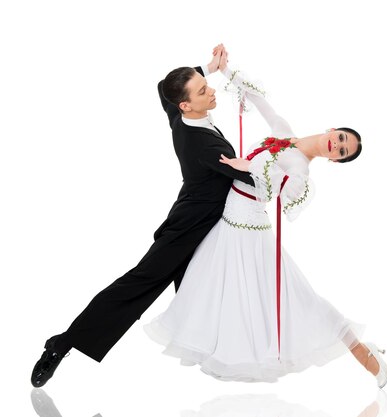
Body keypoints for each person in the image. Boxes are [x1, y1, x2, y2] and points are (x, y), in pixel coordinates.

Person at [143, 47, 387, 387]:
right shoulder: (285, 133)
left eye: (343, 152)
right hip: (226, 216)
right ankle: (216, 343)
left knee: (294, 296)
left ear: (335, 161)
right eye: (342, 138)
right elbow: (260, 101)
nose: (338, 145)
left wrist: (249, 167)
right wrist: (225, 72)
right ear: (334, 129)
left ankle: (360, 351)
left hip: (249, 225)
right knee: (214, 287)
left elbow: (277, 192)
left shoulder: (302, 172)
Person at [31, 44, 256, 387]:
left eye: (205, 85)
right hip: (187, 230)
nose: (211, 92)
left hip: (208, 225)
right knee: (139, 285)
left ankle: (216, 354)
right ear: (186, 104)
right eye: (202, 90)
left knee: (203, 289)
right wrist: (293, 167)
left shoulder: (177, 113)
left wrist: (207, 68)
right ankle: (61, 344)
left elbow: (161, 88)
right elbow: (252, 178)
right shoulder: (204, 145)